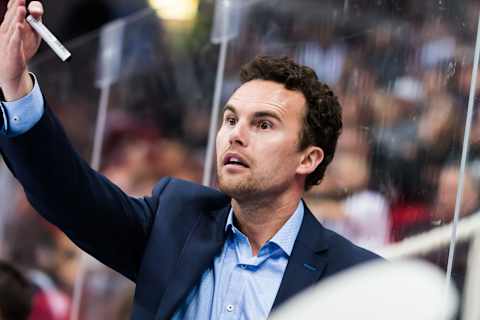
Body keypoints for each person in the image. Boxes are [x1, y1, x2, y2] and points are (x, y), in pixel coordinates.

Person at [0, 1, 379, 319]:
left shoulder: (357, 277)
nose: (235, 134)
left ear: (308, 158)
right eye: (230, 119)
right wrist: (16, 87)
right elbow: (68, 194)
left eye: (263, 124)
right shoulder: (175, 220)